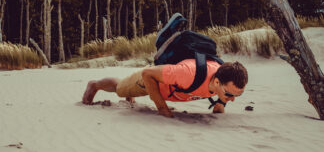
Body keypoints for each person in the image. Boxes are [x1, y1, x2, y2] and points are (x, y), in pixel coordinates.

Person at [82, 59, 248, 118]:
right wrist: (162, 108)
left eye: (236, 96)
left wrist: (221, 105)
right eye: (229, 95)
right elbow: (148, 74)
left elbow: (225, 96)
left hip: (168, 85)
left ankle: (130, 95)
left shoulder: (224, 81)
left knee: (128, 91)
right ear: (217, 82)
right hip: (152, 80)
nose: (232, 99)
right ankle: (94, 85)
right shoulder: (187, 73)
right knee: (120, 88)